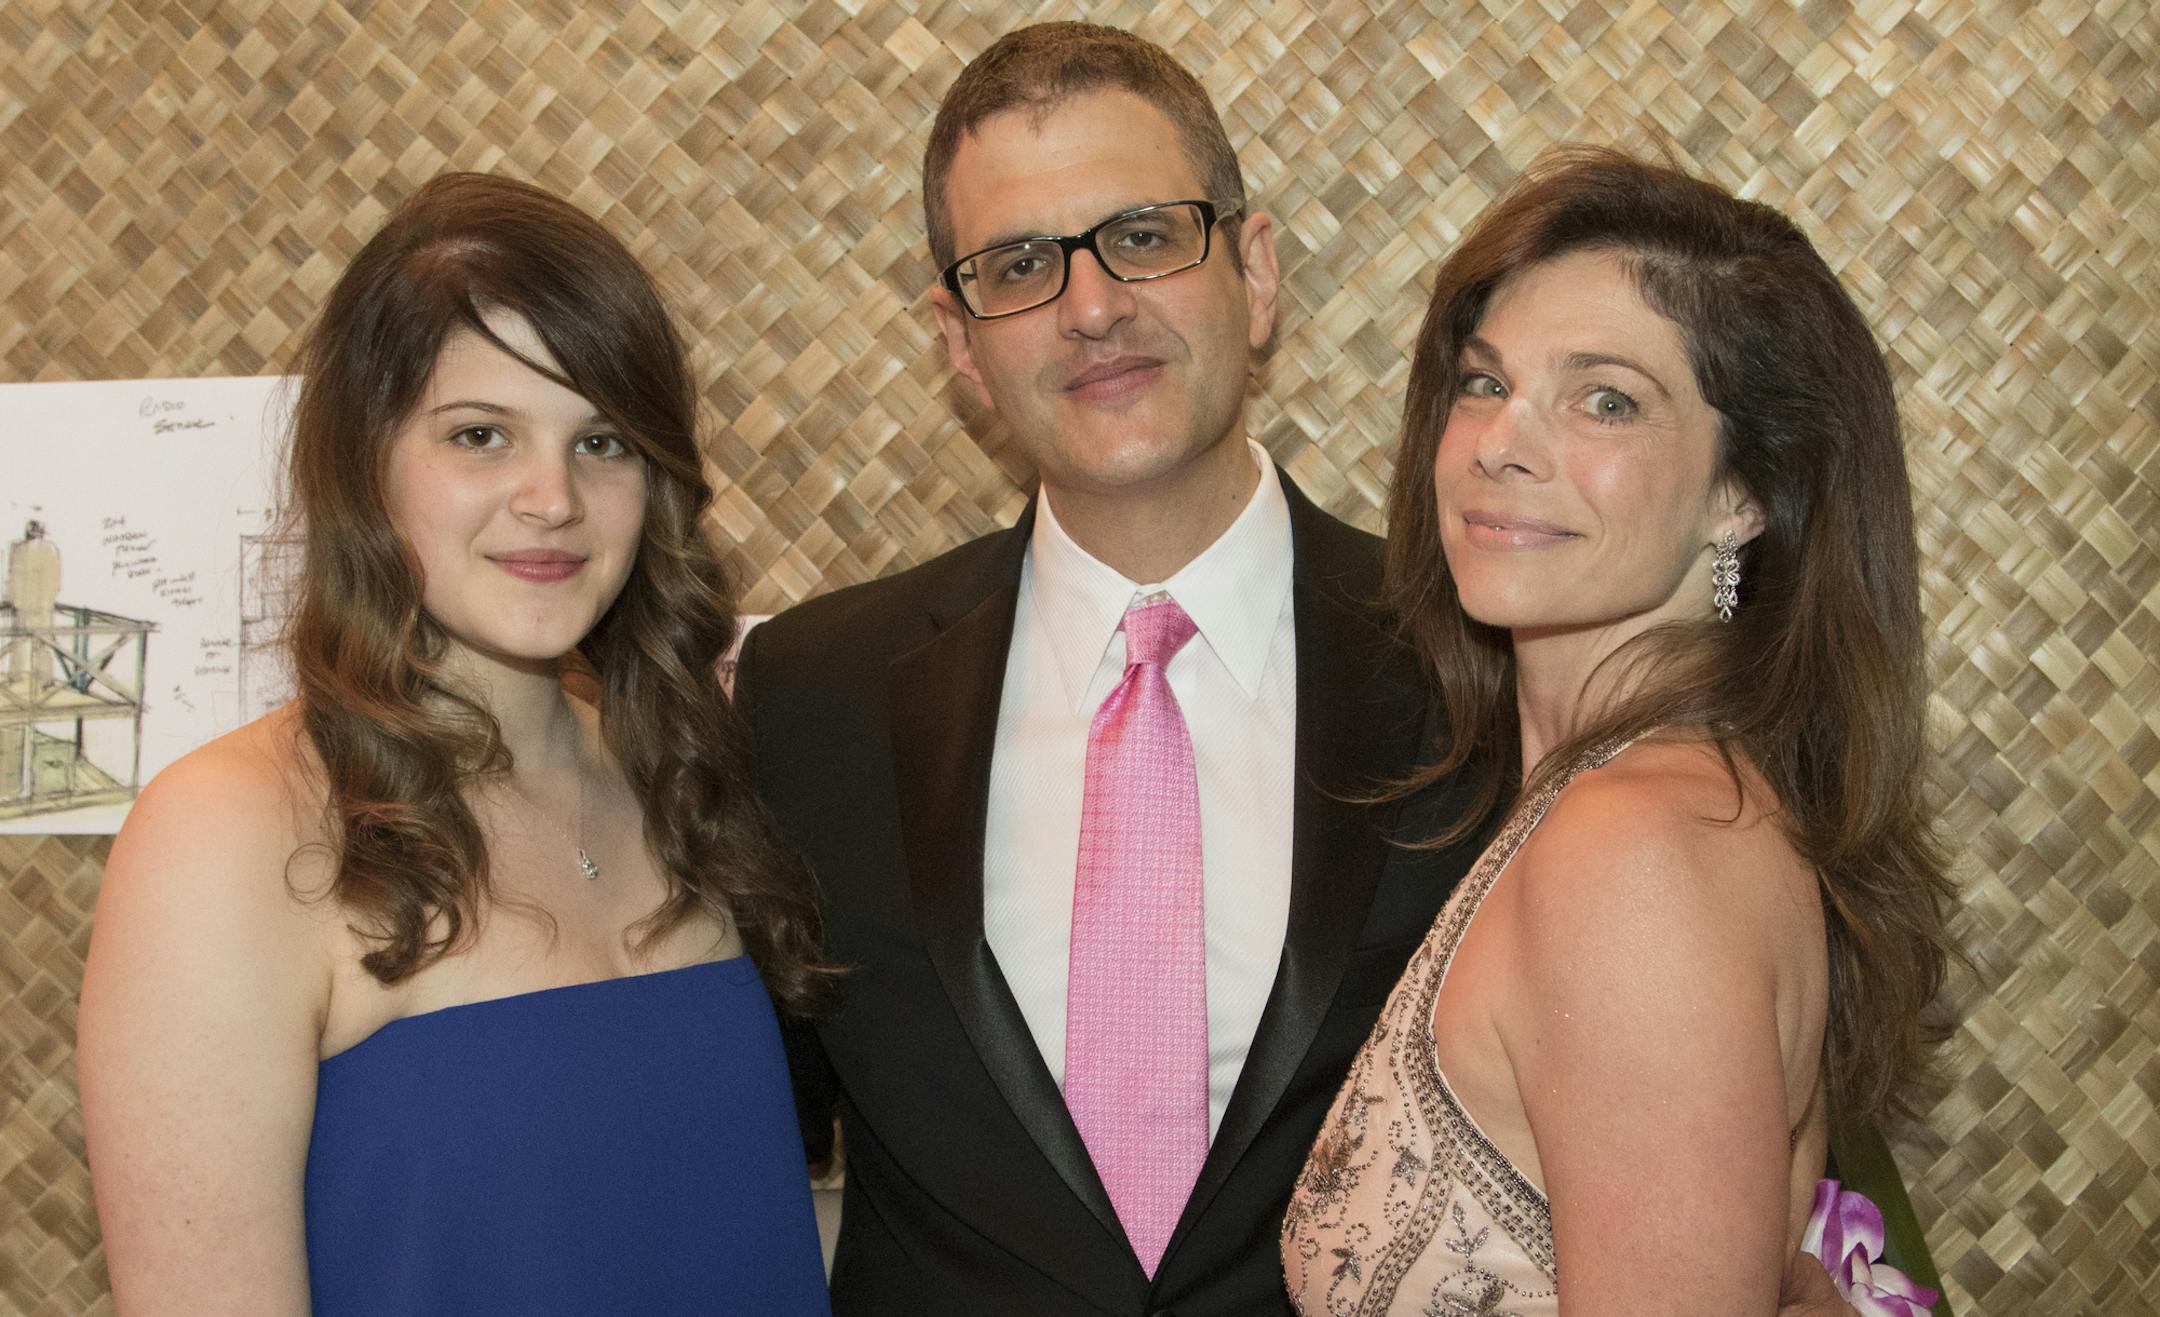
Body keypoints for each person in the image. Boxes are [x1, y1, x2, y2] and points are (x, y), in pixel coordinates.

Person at [733, 22, 1488, 1316]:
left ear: (1255, 272)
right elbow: (751, 1120)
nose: (1091, 308)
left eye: (1143, 235)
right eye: (1019, 265)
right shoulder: (809, 699)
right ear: (960, 342)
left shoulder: (1476, 665)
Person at [77, 173, 834, 1315]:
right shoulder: (225, 836)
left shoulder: (688, 779)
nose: (552, 499)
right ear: (364, 464)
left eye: (604, 442)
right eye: (481, 436)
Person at [1281, 147, 1957, 1314]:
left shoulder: (1635, 850)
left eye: (1605, 399)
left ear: (1743, 491)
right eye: (1485, 383)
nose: (1500, 441)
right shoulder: (1633, 801)